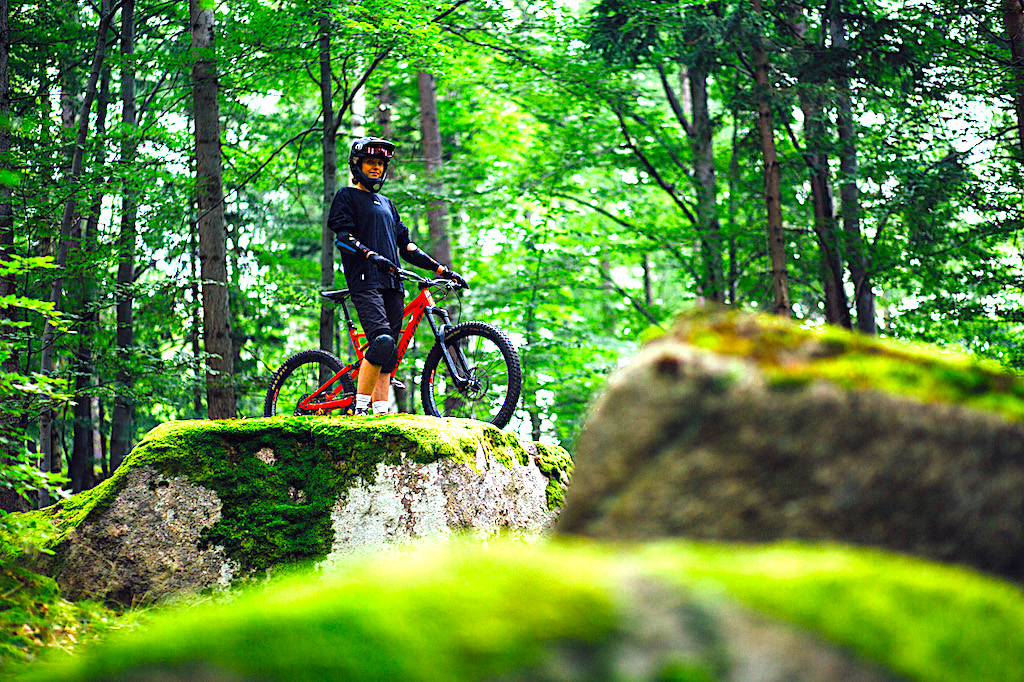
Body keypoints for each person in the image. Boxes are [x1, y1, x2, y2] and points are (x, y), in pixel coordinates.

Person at [328, 136, 467, 416]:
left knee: (389, 354)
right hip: (365, 281)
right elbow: (343, 238)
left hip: (393, 284)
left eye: (380, 164)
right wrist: (370, 255)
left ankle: (380, 413)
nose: (376, 168)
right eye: (370, 162)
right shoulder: (346, 196)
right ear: (357, 165)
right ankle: (359, 410)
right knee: (381, 342)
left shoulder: (388, 204)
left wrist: (441, 270)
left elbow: (408, 247)